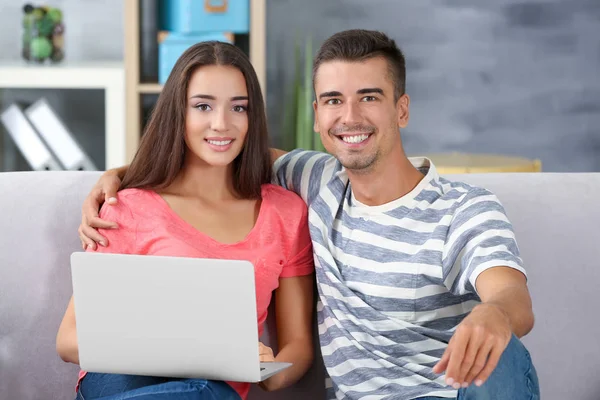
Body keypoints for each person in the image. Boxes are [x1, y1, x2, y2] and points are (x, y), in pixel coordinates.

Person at [78, 30, 540, 400]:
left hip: (458, 391)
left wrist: (494, 315)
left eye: (370, 97)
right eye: (335, 100)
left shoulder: (463, 207)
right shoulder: (315, 181)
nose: (351, 117)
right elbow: (219, 147)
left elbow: (510, 296)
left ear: (401, 109)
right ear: (317, 115)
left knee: (505, 353)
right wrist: (123, 175)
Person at [57, 41, 315, 400]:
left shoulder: (286, 213)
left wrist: (270, 372)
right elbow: (69, 339)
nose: (222, 124)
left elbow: (298, 345)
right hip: (120, 379)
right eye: (203, 106)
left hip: (213, 389)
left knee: (203, 392)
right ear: (178, 113)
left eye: (238, 107)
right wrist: (181, 352)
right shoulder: (128, 207)